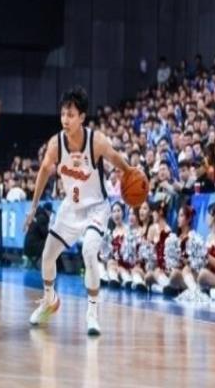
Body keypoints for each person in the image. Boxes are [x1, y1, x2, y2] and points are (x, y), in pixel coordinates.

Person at [24, 86, 136, 336]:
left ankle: (92, 313)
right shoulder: (56, 144)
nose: (65, 119)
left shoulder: (96, 141)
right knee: (47, 256)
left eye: (71, 115)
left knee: (88, 252)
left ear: (82, 117)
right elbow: (43, 172)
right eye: (63, 114)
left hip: (96, 208)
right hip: (71, 208)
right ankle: (49, 300)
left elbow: (116, 158)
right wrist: (33, 207)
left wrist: (131, 172)